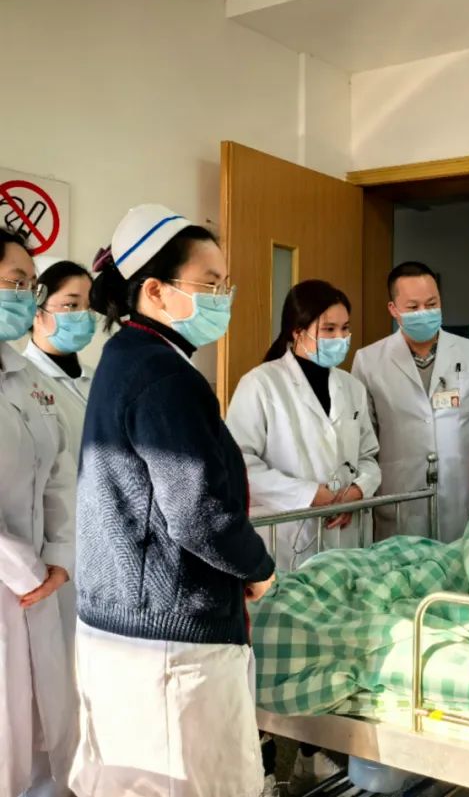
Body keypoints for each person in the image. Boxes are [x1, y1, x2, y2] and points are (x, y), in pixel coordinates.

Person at [69, 204, 276, 797]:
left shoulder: (126, 356)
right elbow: (198, 514)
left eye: (225, 285)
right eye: (209, 285)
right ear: (155, 290)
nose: (222, 298)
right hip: (168, 638)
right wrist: (258, 567)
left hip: (122, 620)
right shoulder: (166, 377)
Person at [227, 279, 381, 571]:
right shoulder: (260, 384)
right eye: (329, 329)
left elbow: (368, 456)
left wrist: (357, 491)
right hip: (288, 534)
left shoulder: (352, 387)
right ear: (297, 332)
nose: (340, 337)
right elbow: (238, 464)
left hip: (347, 529)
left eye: (345, 328)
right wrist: (308, 495)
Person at [0, 228, 78, 797]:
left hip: (42, 586)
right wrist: (25, 569)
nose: (27, 297)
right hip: (16, 580)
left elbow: (58, 472)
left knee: (48, 728)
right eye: (15, 282)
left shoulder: (27, 379)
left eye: (31, 285)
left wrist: (58, 557)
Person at [352, 262, 469, 542]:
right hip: (399, 495)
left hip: (461, 493)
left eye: (432, 304)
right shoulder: (368, 361)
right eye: (413, 307)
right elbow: (362, 440)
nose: (424, 312)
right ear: (393, 309)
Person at [23, 257, 96, 645]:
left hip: (102, 540)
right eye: (70, 304)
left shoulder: (98, 380)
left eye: (88, 305)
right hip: (49, 549)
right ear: (38, 310)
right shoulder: (22, 382)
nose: (83, 315)